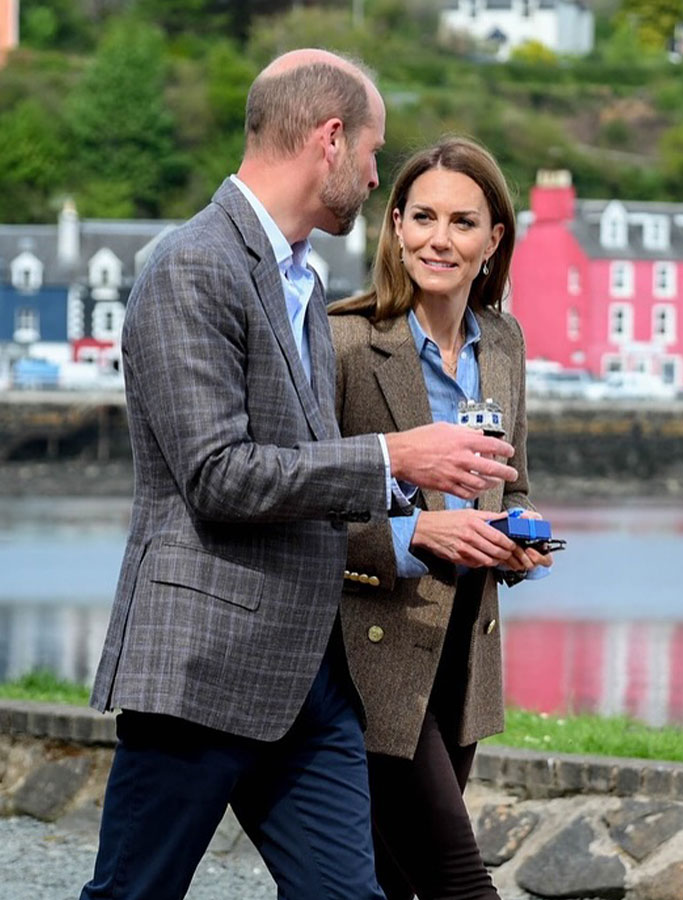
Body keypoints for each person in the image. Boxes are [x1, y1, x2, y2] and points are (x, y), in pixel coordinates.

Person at [79, 55, 521, 900]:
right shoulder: (192, 265)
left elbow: (307, 465)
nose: (374, 173)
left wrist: (439, 509)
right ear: (330, 140)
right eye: (372, 153)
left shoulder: (302, 280)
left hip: (312, 675)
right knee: (134, 892)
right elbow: (218, 475)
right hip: (202, 668)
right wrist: (397, 459)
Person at [329, 136, 553, 900]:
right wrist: (414, 535)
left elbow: (511, 483)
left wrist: (518, 535)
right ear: (394, 226)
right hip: (369, 659)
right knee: (461, 884)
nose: (438, 238)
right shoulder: (344, 343)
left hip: (464, 658)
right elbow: (298, 508)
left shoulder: (506, 345)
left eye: (462, 222)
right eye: (421, 216)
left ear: (494, 240)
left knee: (395, 883)